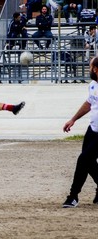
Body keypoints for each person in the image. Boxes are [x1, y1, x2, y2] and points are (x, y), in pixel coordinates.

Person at [62, 56, 98, 208]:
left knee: (83, 159)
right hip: (93, 129)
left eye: (90, 67)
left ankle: (73, 196)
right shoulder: (93, 85)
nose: (89, 69)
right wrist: (73, 119)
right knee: (88, 162)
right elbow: (89, 103)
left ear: (95, 69)